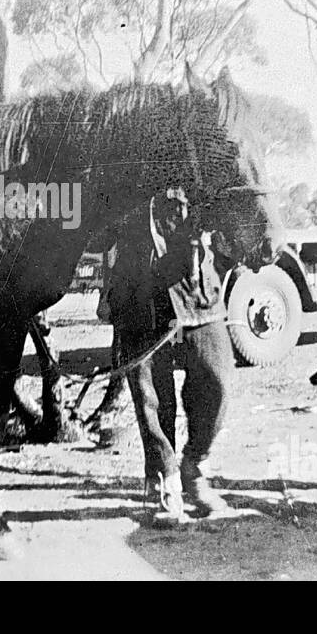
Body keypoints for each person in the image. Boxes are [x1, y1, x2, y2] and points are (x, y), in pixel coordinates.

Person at [105, 187, 237, 520]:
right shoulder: (121, 159)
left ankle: (194, 464)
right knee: (152, 397)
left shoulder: (196, 158)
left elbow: (231, 211)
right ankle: (164, 479)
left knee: (217, 381)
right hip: (139, 289)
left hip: (195, 289)